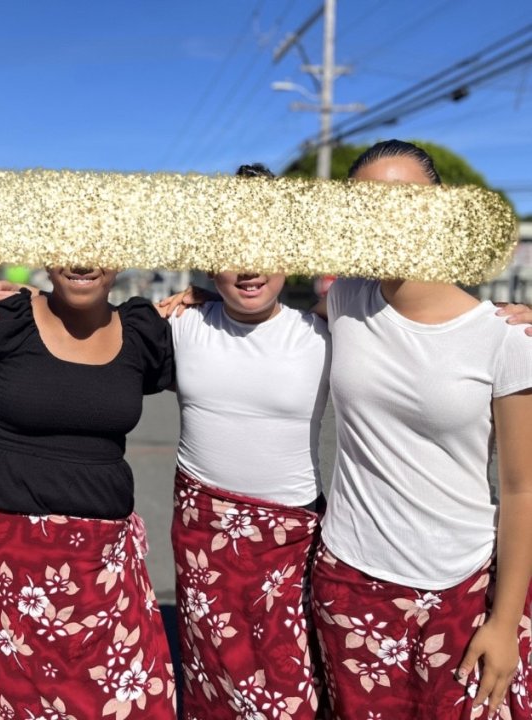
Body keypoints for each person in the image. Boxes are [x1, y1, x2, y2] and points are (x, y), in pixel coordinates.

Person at [311, 140, 532, 719]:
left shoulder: (505, 337)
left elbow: (520, 490)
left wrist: (505, 621)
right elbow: (262, 316)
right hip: (349, 581)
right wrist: (201, 300)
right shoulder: (344, 302)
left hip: (464, 588)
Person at [0, 266, 177, 719]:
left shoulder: (142, 330)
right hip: (3, 560)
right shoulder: (1, 319)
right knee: (4, 703)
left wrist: (205, 296)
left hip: (103, 564)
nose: (82, 261)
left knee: (123, 700)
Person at [165, 163, 330, 719]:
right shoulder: (181, 325)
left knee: (292, 688)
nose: (251, 265)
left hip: (291, 544)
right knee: (213, 681)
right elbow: (81, 330)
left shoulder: (325, 336)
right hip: (202, 538)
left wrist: (510, 318)